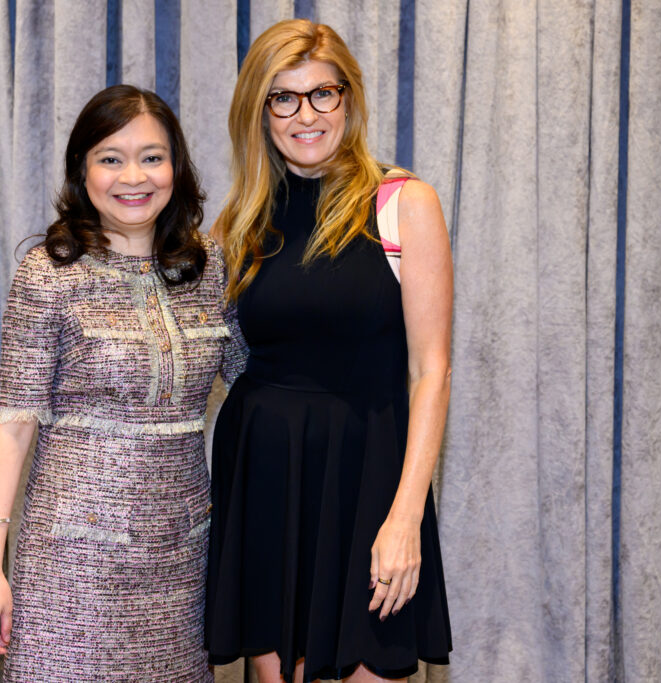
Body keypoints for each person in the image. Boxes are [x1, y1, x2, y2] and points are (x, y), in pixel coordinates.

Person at [0, 84, 246, 681]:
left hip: (183, 559)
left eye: (152, 157)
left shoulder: (209, 268)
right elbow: (13, 424)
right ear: (82, 170)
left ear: (176, 166)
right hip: (71, 562)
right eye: (111, 158)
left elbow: (261, 381)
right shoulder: (48, 273)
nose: (134, 177)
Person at [205, 19, 453, 682]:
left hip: (370, 482)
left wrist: (405, 516)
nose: (306, 115)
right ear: (259, 111)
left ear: (349, 97)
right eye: (283, 98)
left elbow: (431, 372)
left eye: (322, 93)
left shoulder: (404, 204)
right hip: (265, 483)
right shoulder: (238, 224)